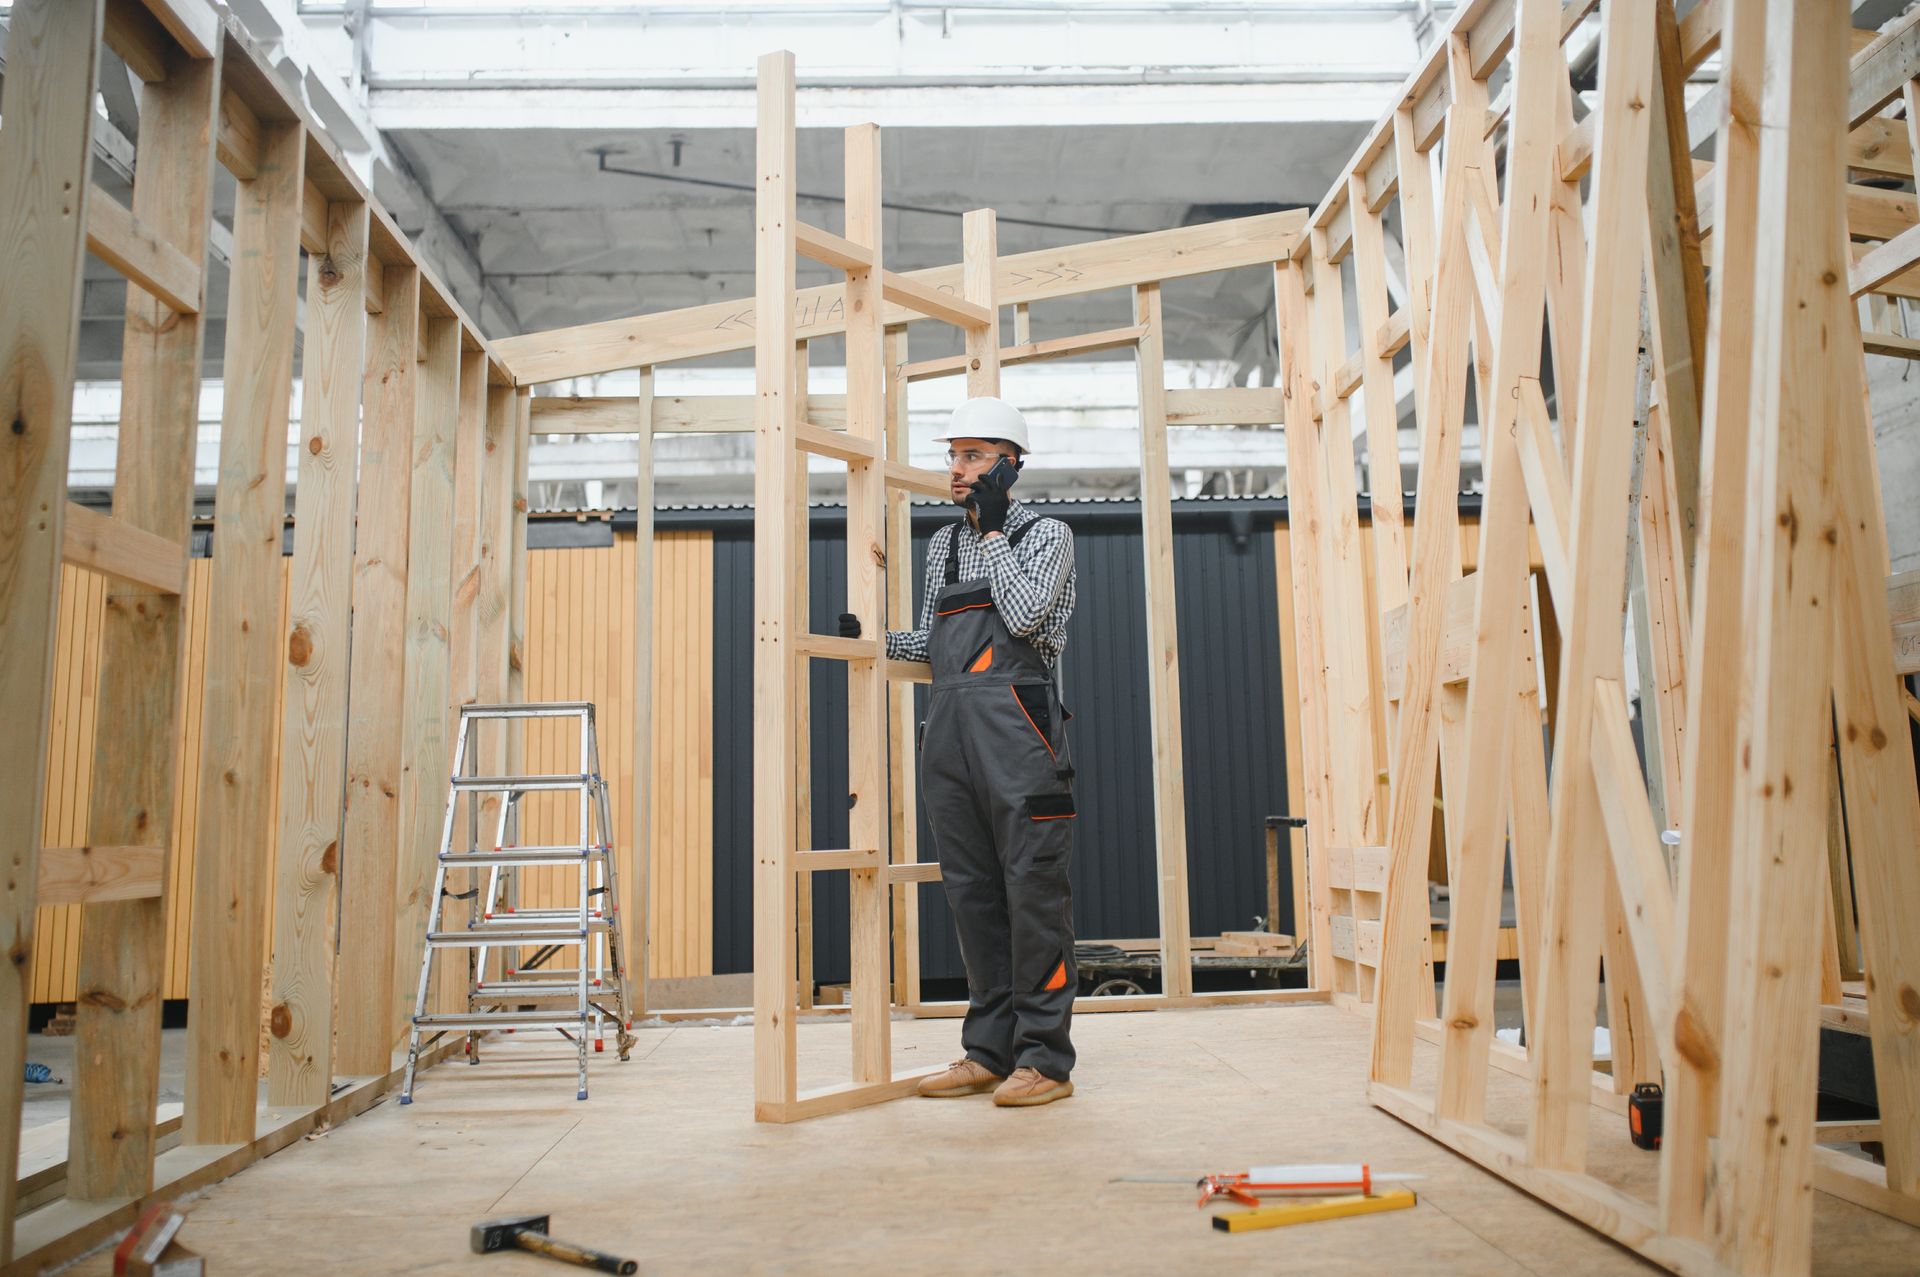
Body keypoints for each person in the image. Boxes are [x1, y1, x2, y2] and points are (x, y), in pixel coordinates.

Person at [840, 395, 1079, 1107]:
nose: (956, 469)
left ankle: (1046, 1060)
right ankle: (988, 1051)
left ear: (1011, 463)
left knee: (1031, 893)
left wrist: (998, 530)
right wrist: (872, 640)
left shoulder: (1048, 535)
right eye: (953, 454)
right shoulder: (943, 544)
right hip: (948, 732)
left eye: (974, 456)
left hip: (1020, 734)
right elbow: (934, 643)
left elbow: (1026, 615)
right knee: (972, 894)